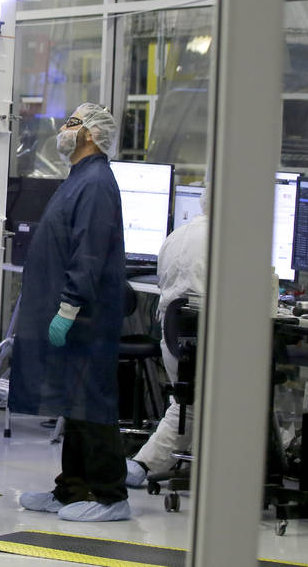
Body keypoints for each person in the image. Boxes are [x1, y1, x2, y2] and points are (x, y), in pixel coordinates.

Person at [10, 102, 131, 522]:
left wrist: (69, 306)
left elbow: (90, 250)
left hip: (87, 317)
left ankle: (112, 496)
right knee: (76, 404)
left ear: (92, 135)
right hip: (76, 314)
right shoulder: (79, 178)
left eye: (73, 123)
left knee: (92, 404)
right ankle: (72, 490)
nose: (64, 128)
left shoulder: (96, 182)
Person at [125, 188, 207, 487]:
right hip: (212, 345)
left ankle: (142, 465)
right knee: (196, 406)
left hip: (175, 341)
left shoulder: (175, 237)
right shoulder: (231, 239)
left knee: (186, 405)